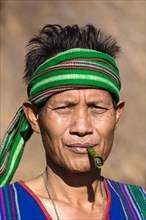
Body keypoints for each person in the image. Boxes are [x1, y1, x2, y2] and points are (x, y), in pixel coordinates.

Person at [0, 24, 145, 220]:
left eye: (97, 107)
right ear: (34, 116)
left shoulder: (140, 206)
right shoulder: (7, 210)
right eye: (64, 107)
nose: (82, 127)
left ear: (117, 114)